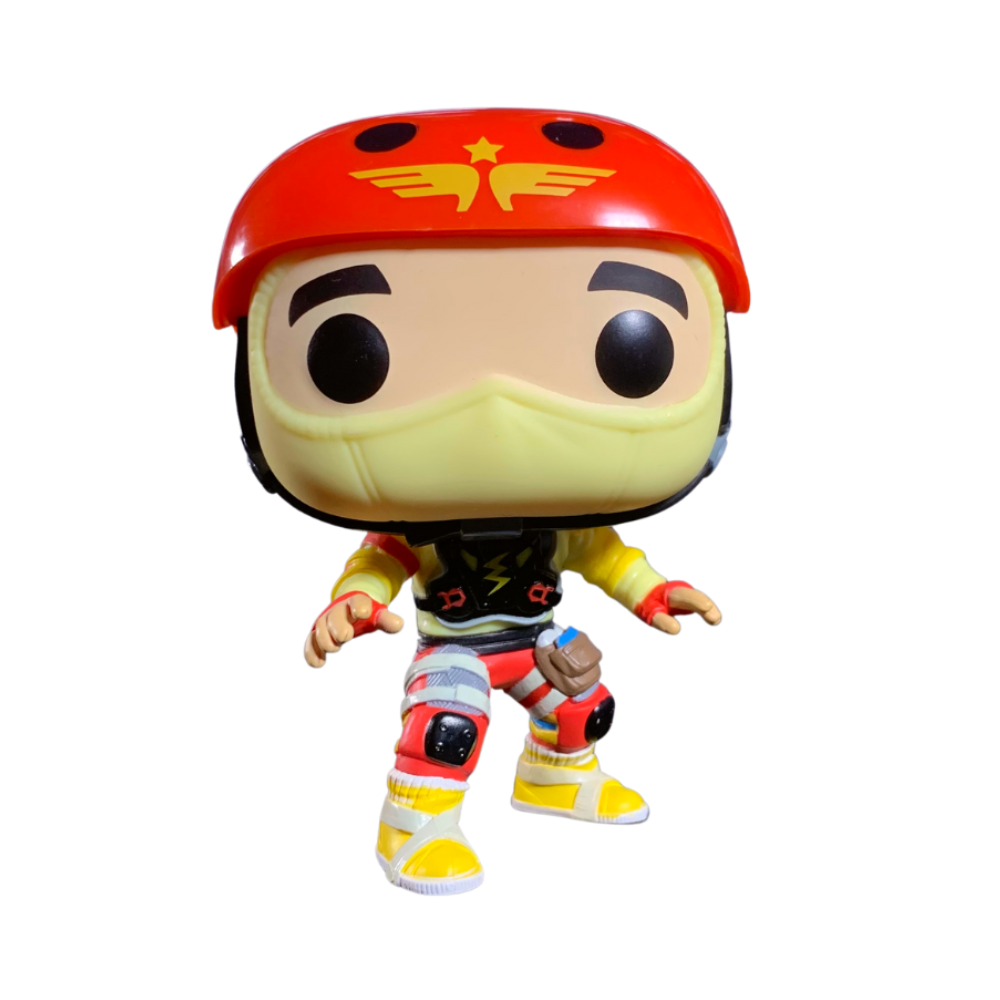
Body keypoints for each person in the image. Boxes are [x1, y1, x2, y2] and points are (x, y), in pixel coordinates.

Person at [213, 108, 750, 894]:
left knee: (587, 704)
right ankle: (413, 826)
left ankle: (555, 776)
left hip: (534, 636)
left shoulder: (563, 524)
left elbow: (606, 555)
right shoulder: (419, 531)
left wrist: (653, 592)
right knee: (448, 726)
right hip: (454, 647)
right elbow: (379, 559)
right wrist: (354, 604)